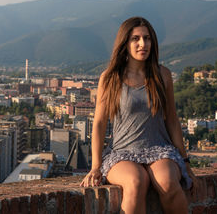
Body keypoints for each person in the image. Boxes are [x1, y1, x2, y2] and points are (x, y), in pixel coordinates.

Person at [80, 17, 198, 214]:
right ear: (125, 43)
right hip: (122, 152)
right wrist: (95, 166)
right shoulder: (110, 77)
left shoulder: (163, 75)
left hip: (160, 150)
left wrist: (186, 164)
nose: (143, 44)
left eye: (147, 38)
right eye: (136, 39)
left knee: (168, 183)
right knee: (136, 182)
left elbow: (172, 120)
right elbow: (99, 123)